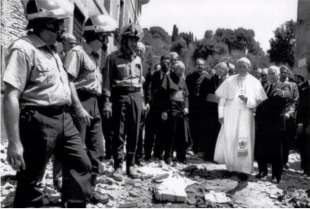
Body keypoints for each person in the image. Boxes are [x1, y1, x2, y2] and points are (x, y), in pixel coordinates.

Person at [2, 0, 93, 207]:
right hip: (37, 121)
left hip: (64, 118)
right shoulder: (23, 49)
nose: (61, 29)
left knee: (81, 163)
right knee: (32, 178)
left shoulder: (53, 51)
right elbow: (10, 96)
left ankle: (74, 203)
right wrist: (14, 143)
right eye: (57, 24)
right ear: (43, 23)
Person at [64, 14, 117, 202]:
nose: (107, 40)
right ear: (96, 34)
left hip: (94, 103)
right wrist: (78, 108)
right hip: (79, 102)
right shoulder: (77, 53)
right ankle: (72, 197)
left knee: (96, 150)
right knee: (76, 152)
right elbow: (68, 82)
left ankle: (90, 190)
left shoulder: (95, 56)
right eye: (105, 36)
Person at [214, 57, 267, 182]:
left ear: (249, 67)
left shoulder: (255, 82)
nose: (242, 68)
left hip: (245, 116)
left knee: (243, 142)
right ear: (237, 67)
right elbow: (222, 99)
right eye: (240, 66)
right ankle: (231, 167)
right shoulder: (229, 80)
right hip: (230, 115)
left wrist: (247, 101)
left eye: (244, 66)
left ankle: (243, 169)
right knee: (231, 140)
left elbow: (259, 101)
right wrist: (220, 114)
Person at [102, 23, 144, 181]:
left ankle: (131, 164)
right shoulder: (112, 58)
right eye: (131, 40)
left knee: (135, 132)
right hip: (120, 96)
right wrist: (107, 102)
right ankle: (118, 166)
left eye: (136, 40)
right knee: (118, 132)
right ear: (124, 40)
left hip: (136, 96)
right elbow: (106, 82)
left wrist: (142, 100)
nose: (134, 43)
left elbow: (140, 82)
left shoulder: (138, 58)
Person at [255, 66, 292, 183]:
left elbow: (281, 100)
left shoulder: (284, 86)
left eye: (273, 73)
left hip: (276, 124)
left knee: (276, 151)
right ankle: (262, 171)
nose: (270, 75)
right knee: (262, 148)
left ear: (278, 75)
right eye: (269, 73)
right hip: (263, 123)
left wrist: (261, 105)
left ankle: (276, 175)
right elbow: (258, 103)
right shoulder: (265, 87)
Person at [161, 61, 191, 164]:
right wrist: (164, 110)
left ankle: (181, 156)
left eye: (183, 70)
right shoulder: (167, 78)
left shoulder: (183, 80)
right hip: (171, 109)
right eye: (180, 70)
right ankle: (168, 156)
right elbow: (163, 95)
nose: (182, 72)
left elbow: (186, 95)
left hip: (181, 110)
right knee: (170, 134)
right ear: (175, 69)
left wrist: (186, 107)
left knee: (182, 134)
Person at [144, 55, 171, 161]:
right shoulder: (153, 75)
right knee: (149, 132)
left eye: (168, 63)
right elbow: (148, 89)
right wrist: (148, 102)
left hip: (164, 108)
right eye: (164, 62)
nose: (166, 64)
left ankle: (158, 154)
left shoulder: (171, 76)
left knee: (161, 132)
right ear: (160, 62)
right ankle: (147, 154)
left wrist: (165, 109)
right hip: (153, 107)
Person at [186, 58, 210, 154]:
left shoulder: (207, 78)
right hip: (192, 105)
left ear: (204, 66)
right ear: (195, 65)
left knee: (201, 127)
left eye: (202, 65)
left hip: (203, 107)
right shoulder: (190, 77)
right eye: (198, 64)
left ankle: (198, 148)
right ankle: (191, 146)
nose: (200, 67)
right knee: (191, 126)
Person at [279, 65, 300, 168]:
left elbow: (295, 100)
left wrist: (289, 112)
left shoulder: (293, 85)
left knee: (286, 139)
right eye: (281, 72)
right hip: (277, 115)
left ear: (288, 73)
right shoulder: (276, 84)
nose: (283, 74)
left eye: (285, 72)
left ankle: (285, 161)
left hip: (287, 116)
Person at [296, 73, 310, 178]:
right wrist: (300, 123)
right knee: (304, 146)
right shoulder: (302, 87)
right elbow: (300, 107)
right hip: (304, 121)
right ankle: (306, 169)